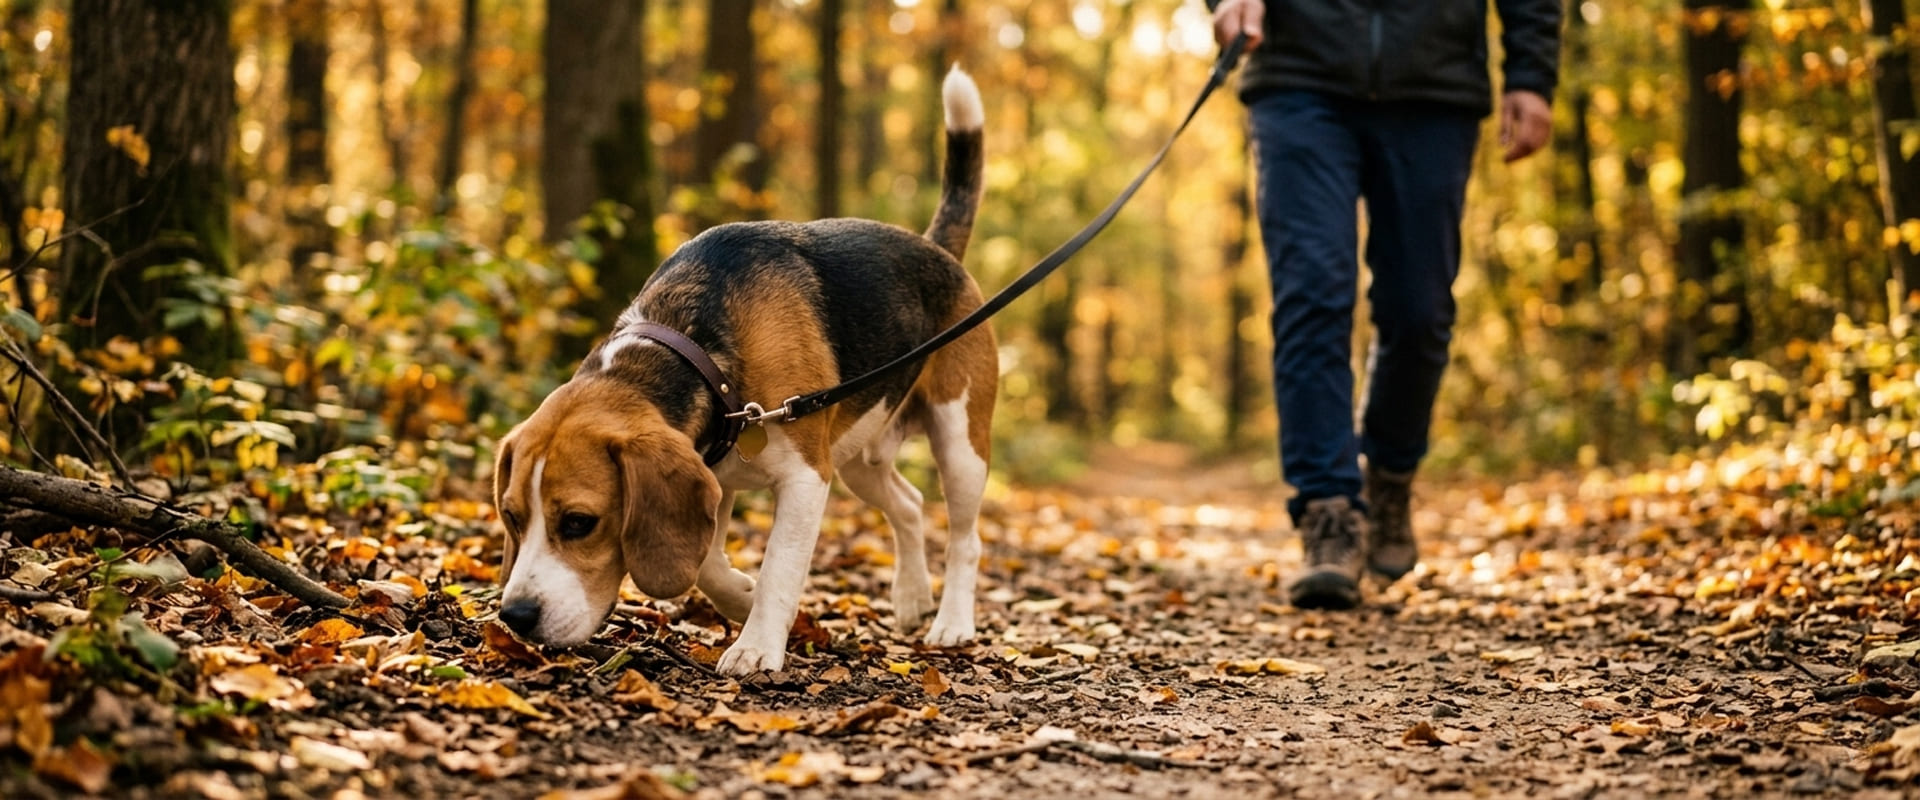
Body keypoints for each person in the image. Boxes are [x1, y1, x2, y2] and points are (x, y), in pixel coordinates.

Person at [1208, 0, 1561, 609]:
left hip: (1434, 84)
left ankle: (1390, 476)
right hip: (1299, 76)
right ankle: (1327, 511)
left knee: (1419, 312)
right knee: (1311, 294)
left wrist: (1530, 75)